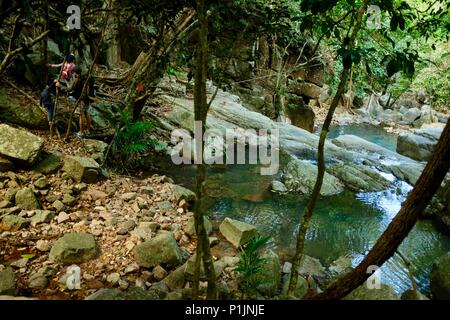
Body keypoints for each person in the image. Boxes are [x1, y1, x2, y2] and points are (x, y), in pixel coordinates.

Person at [56, 66, 95, 137]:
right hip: (87, 99)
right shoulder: (85, 78)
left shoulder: (77, 80)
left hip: (80, 100)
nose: (72, 75)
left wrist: (59, 85)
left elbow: (69, 89)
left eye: (73, 73)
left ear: (75, 73)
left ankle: (81, 132)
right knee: (87, 113)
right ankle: (88, 130)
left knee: (80, 115)